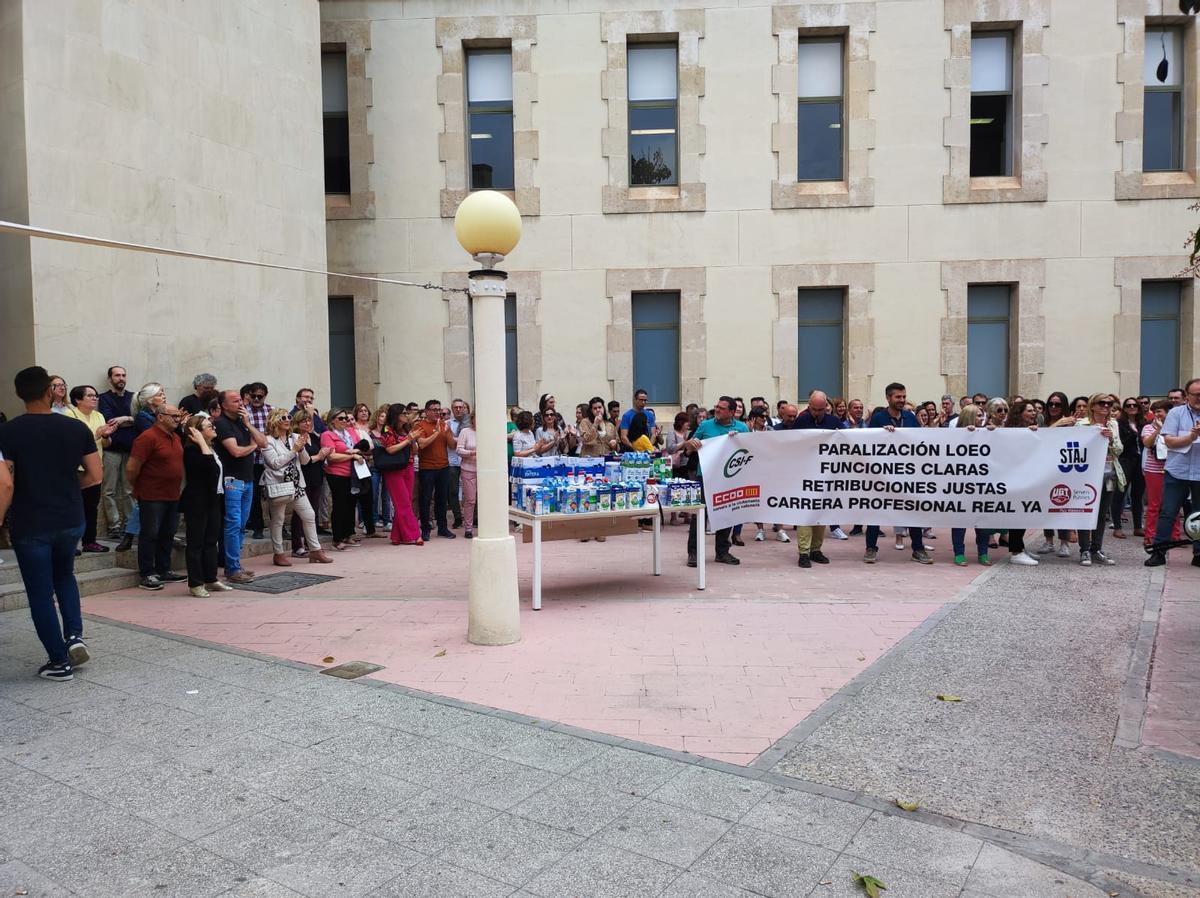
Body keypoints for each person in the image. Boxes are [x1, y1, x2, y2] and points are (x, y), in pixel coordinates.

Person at [0, 366, 103, 680]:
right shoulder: (75, 429)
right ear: (50, 391)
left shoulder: (8, 431)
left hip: (31, 521)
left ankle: (59, 661)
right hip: (70, 518)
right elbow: (96, 476)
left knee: (40, 592)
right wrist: (69, 487)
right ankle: (74, 636)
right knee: (65, 577)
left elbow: (5, 484)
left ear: (20, 394)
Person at [863, 383, 932, 564]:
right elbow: (868, 443)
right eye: (898, 397)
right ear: (888, 398)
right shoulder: (878, 418)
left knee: (912, 510)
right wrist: (882, 434)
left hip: (907, 475)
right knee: (875, 510)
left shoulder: (910, 417)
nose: (901, 400)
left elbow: (919, 442)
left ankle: (918, 548)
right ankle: (871, 548)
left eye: (903, 397)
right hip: (882, 476)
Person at [680, 395, 747, 568]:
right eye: (716, 406)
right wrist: (691, 445)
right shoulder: (705, 425)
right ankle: (693, 553)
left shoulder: (742, 428)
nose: (716, 409)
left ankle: (722, 551)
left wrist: (738, 440)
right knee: (700, 514)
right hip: (707, 477)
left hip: (730, 478)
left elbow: (748, 452)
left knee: (726, 513)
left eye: (721, 408)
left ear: (732, 412)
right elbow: (688, 450)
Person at [126, 404, 187, 590]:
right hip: (151, 494)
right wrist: (138, 487)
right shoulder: (147, 438)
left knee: (168, 533)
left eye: (178, 416)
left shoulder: (175, 437)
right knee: (150, 534)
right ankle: (147, 573)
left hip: (172, 494)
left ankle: (164, 569)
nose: (178, 419)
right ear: (160, 417)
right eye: (174, 416)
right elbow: (132, 468)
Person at [261, 408, 329, 566]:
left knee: (309, 515)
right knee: (278, 520)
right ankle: (278, 554)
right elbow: (275, 463)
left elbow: (304, 461)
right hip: (279, 485)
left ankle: (315, 550)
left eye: (288, 416)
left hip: (297, 484)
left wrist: (302, 446)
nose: (287, 419)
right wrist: (294, 450)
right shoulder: (268, 440)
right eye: (282, 417)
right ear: (274, 421)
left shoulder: (295, 437)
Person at [1146, 378, 1200, 567]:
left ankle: (1199, 554)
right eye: (1196, 395)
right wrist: (1192, 437)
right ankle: (1158, 552)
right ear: (1187, 396)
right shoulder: (1176, 413)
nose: (1199, 398)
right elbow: (1169, 442)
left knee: (1199, 515)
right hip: (1177, 472)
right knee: (1168, 512)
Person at [214, 389, 267, 581]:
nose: (241, 404)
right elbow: (235, 451)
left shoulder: (242, 422)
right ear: (223, 405)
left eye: (240, 400)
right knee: (233, 524)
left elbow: (264, 443)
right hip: (232, 481)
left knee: (242, 525)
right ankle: (232, 569)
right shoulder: (221, 424)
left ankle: (235, 564)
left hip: (248, 480)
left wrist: (248, 424)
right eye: (235, 401)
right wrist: (253, 447)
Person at [180, 415, 234, 597]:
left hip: (214, 499)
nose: (213, 428)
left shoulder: (212, 448)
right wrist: (202, 444)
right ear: (197, 432)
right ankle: (195, 583)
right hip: (197, 501)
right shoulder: (192, 451)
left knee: (211, 541)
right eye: (208, 426)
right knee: (196, 543)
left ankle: (211, 579)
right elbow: (209, 469)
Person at [792, 391, 843, 566]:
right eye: (813, 409)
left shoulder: (834, 422)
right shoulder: (801, 421)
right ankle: (804, 552)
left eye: (820, 409)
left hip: (825, 476)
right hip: (804, 474)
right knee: (805, 514)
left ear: (826, 408)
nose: (816, 413)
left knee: (821, 513)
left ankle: (816, 549)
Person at [64, 385, 115, 554]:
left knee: (91, 507)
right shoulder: (70, 415)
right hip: (75, 468)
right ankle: (70, 544)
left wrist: (106, 436)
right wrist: (97, 435)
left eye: (96, 396)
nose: (95, 398)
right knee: (72, 506)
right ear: (78, 399)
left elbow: (106, 444)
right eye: (90, 396)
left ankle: (90, 541)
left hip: (95, 467)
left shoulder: (99, 415)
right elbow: (72, 444)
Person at [1074, 393, 1122, 566]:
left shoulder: (1113, 423)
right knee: (1085, 510)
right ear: (1092, 406)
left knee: (1102, 514)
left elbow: (1118, 450)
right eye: (1102, 403)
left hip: (1108, 472)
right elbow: (1076, 447)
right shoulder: (1082, 424)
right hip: (1085, 474)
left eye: (1109, 403)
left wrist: (1110, 440)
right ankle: (1084, 549)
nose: (1106, 406)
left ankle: (1097, 548)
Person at [950, 404, 992, 566]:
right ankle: (959, 553)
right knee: (960, 521)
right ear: (969, 418)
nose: (982, 419)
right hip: (961, 486)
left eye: (983, 416)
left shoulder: (988, 434)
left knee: (981, 520)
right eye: (978, 416)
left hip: (981, 485)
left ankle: (983, 552)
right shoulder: (955, 436)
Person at [321, 408, 368, 550]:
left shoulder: (349, 433)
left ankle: (348, 534)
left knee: (350, 505)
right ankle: (337, 538)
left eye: (346, 419)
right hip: (336, 473)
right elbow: (332, 456)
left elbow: (359, 447)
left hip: (352, 474)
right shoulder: (327, 434)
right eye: (341, 418)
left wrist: (356, 452)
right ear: (332, 420)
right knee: (340, 505)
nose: (344, 421)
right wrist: (352, 455)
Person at [376, 404, 423, 546]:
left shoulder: (406, 430)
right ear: (396, 415)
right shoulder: (387, 430)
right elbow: (390, 449)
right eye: (403, 413)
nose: (406, 415)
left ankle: (396, 536)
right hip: (393, 469)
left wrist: (413, 440)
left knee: (405, 502)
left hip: (408, 466)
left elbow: (415, 451)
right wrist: (408, 439)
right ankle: (414, 535)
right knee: (403, 503)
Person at [98, 365, 135, 539]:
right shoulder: (104, 398)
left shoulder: (133, 397)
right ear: (110, 378)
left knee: (129, 490)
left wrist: (125, 418)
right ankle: (114, 526)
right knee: (109, 490)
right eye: (117, 375)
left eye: (123, 375)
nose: (121, 378)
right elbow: (108, 421)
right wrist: (125, 420)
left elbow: (139, 418)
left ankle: (130, 525)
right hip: (111, 449)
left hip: (130, 449)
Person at [412, 399, 458, 541]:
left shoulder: (444, 425)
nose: (437, 412)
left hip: (444, 467)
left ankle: (442, 528)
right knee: (425, 499)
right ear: (426, 411)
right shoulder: (419, 426)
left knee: (442, 499)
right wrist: (436, 433)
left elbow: (452, 446)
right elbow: (422, 445)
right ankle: (425, 529)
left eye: (439, 410)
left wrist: (448, 432)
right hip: (427, 468)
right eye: (434, 409)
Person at [290, 408, 332, 556]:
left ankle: (311, 544)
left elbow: (320, 456)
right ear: (297, 423)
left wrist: (324, 455)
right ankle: (297, 546)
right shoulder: (295, 438)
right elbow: (304, 461)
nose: (307, 423)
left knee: (313, 512)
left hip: (317, 476)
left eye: (309, 420)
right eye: (303, 421)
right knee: (300, 513)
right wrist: (319, 456)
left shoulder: (314, 437)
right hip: (303, 477)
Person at [1141, 399, 1181, 551]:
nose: (1157, 414)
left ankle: (1175, 535)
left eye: (1160, 411)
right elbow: (1147, 443)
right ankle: (1150, 535)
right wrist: (1158, 430)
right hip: (1154, 470)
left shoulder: (1176, 427)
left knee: (1173, 504)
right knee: (1154, 505)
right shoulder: (1148, 427)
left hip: (1173, 469)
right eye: (1155, 411)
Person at [242, 382, 273, 540]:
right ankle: (257, 527)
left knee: (273, 494)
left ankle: (276, 526)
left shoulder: (271, 410)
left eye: (259, 396)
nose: (256, 399)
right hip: (251, 459)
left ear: (265, 396)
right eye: (253, 395)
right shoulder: (244, 412)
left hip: (269, 459)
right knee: (253, 496)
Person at [1115, 397, 1145, 539]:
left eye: (1134, 405)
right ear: (1124, 408)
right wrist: (1133, 434)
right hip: (1125, 460)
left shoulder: (1143, 423)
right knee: (1120, 494)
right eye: (1128, 405)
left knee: (1137, 495)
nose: (1132, 407)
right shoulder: (1119, 424)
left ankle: (1138, 526)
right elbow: (1121, 444)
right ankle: (1117, 527)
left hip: (1140, 461)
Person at [348, 403, 380, 539]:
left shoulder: (361, 432)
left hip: (363, 467)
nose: (349, 422)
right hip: (348, 471)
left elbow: (370, 446)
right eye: (346, 419)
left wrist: (358, 450)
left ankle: (371, 529)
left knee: (368, 497)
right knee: (351, 501)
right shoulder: (340, 434)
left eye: (351, 420)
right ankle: (350, 532)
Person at [447, 398, 470, 529]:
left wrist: (457, 439)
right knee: (453, 491)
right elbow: (449, 443)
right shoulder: (447, 424)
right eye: (456, 407)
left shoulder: (471, 424)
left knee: (470, 492)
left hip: (468, 461)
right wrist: (460, 441)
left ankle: (471, 517)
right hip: (452, 461)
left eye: (461, 407)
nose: (458, 409)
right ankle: (457, 518)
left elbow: (468, 442)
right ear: (452, 409)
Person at [456, 413, 479, 539]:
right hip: (468, 469)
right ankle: (468, 528)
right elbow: (459, 450)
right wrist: (472, 453)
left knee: (485, 501)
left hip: (484, 471)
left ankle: (485, 526)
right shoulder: (465, 431)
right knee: (470, 500)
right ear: (472, 419)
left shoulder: (487, 432)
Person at [370, 404, 393, 530]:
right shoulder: (370, 433)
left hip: (387, 466)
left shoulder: (388, 432)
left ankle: (387, 520)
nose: (383, 418)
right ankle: (374, 519)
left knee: (387, 495)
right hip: (374, 465)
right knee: (374, 493)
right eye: (381, 416)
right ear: (377, 418)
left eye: (386, 416)